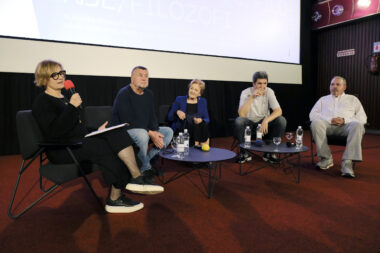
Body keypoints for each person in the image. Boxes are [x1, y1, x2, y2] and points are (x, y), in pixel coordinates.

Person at [32, 60, 164, 214]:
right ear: (44, 77)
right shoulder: (43, 101)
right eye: (55, 74)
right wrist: (72, 108)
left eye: (62, 73)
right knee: (107, 148)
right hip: (62, 149)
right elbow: (53, 133)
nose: (61, 77)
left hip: (76, 141)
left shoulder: (65, 98)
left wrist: (97, 130)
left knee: (116, 132)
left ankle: (134, 178)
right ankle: (117, 197)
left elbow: (75, 128)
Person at [110, 66, 173, 179]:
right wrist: (151, 133)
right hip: (124, 130)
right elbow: (127, 121)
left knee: (168, 131)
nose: (144, 78)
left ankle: (146, 164)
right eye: (140, 75)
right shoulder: (124, 93)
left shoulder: (149, 94)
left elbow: (152, 116)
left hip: (143, 129)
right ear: (132, 79)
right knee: (142, 134)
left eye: (146, 76)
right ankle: (144, 170)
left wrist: (154, 131)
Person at [309, 76, 367, 178]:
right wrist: (329, 119)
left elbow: (363, 118)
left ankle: (347, 163)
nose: (334, 87)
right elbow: (312, 115)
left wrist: (344, 120)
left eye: (337, 84)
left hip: (346, 127)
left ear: (344, 87)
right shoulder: (323, 99)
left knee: (358, 125)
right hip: (328, 126)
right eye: (332, 84)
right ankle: (326, 159)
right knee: (315, 123)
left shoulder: (353, 99)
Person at [234, 71, 287, 164]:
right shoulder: (246, 92)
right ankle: (245, 152)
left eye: (265, 83)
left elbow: (278, 111)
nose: (262, 86)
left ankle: (269, 153)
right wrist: (252, 97)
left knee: (281, 120)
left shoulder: (269, 91)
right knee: (239, 121)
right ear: (253, 84)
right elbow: (241, 114)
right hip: (249, 124)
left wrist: (266, 120)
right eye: (259, 83)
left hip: (263, 126)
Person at [168, 79, 210, 146]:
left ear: (199, 93)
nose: (192, 91)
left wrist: (201, 120)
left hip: (197, 129)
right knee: (197, 128)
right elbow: (170, 117)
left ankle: (202, 149)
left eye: (196, 90)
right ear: (189, 89)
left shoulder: (202, 101)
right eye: (191, 88)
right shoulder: (180, 99)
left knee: (202, 125)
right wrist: (177, 112)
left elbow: (207, 119)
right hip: (182, 129)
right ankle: (196, 147)